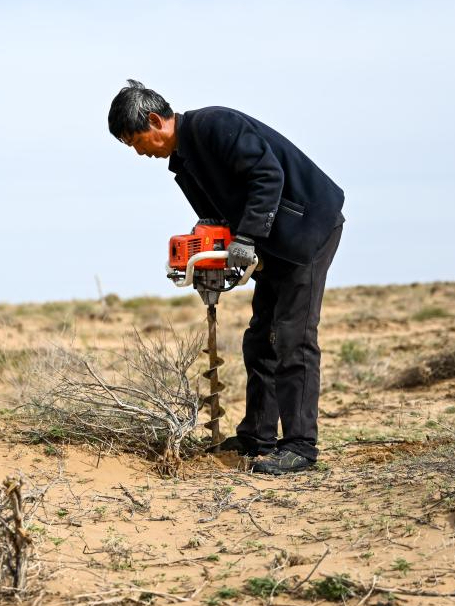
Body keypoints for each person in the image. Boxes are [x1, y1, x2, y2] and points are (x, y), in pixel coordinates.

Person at [107, 80, 344, 475]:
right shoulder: (185, 162)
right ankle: (257, 436)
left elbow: (267, 176)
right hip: (273, 245)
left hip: (307, 230)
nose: (138, 151)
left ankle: (301, 447)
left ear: (154, 120)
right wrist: (210, 257)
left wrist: (247, 239)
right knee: (259, 338)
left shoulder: (215, 126)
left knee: (292, 337)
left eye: (135, 140)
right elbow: (218, 216)